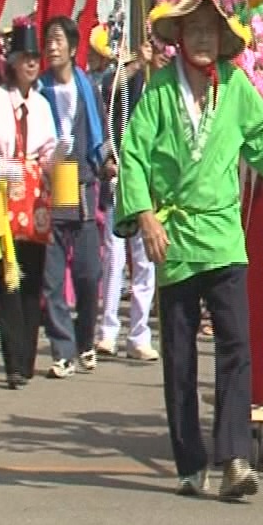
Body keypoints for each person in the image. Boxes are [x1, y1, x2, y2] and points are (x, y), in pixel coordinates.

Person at [114, 0, 263, 500]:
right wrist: (144, 214)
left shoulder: (236, 88)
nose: (200, 39)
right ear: (178, 37)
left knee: (237, 346)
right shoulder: (157, 91)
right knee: (178, 355)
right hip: (174, 237)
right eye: (192, 29)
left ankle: (235, 458)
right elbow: (132, 154)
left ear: (221, 40)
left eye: (209, 31)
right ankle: (189, 463)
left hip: (222, 235)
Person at [38, 15, 115, 379]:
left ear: (71, 47)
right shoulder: (39, 92)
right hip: (52, 184)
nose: (52, 47)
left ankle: (85, 340)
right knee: (52, 277)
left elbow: (102, 135)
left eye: (58, 41)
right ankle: (62, 349)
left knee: (88, 273)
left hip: (82, 183)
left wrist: (108, 162)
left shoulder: (88, 87)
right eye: (47, 41)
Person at [0, 19, 58, 389]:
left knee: (32, 277)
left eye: (36, 57)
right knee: (8, 277)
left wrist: (58, 161)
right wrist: (6, 168)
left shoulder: (43, 105)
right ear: (12, 62)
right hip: (5, 187)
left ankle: (27, 356)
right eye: (25, 57)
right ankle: (12, 360)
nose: (31, 64)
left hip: (36, 196)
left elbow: (50, 150)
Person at [98, 35, 158, 361]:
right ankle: (107, 331)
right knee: (114, 257)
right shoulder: (133, 79)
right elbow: (110, 89)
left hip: (152, 182)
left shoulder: (171, 86)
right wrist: (138, 64)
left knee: (145, 261)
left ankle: (139, 334)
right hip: (123, 176)